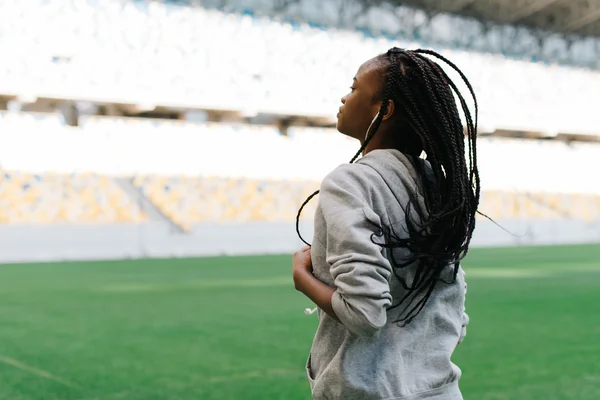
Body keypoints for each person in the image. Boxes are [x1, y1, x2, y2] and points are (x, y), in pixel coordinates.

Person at [291, 48, 477, 400]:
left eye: (354, 87)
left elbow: (364, 313)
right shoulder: (437, 186)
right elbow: (454, 310)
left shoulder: (349, 182)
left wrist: (302, 278)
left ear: (385, 109)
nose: (345, 98)